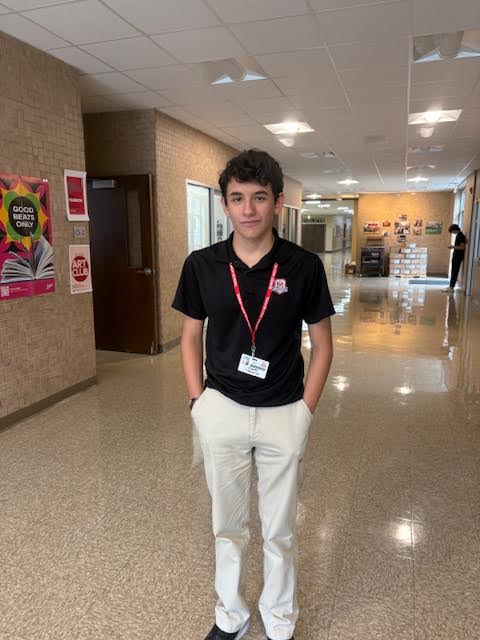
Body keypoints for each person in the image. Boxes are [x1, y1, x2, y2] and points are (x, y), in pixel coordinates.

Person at [172, 150, 335, 640]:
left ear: (277, 202)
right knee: (227, 526)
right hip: (221, 406)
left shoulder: (303, 267)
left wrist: (305, 412)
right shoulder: (202, 265)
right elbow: (190, 336)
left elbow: (323, 345)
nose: (248, 209)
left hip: (283, 410)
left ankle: (280, 620)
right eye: (237, 198)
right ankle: (231, 616)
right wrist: (199, 403)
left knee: (280, 529)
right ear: (224, 204)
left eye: (259, 197)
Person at [442, 223, 467, 293]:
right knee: (453, 271)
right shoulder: (459, 235)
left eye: (452, 231)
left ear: (455, 229)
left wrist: (453, 247)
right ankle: (451, 286)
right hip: (456, 256)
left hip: (458, 257)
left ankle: (451, 288)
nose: (452, 233)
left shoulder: (461, 235)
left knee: (454, 272)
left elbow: (462, 247)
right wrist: (453, 247)